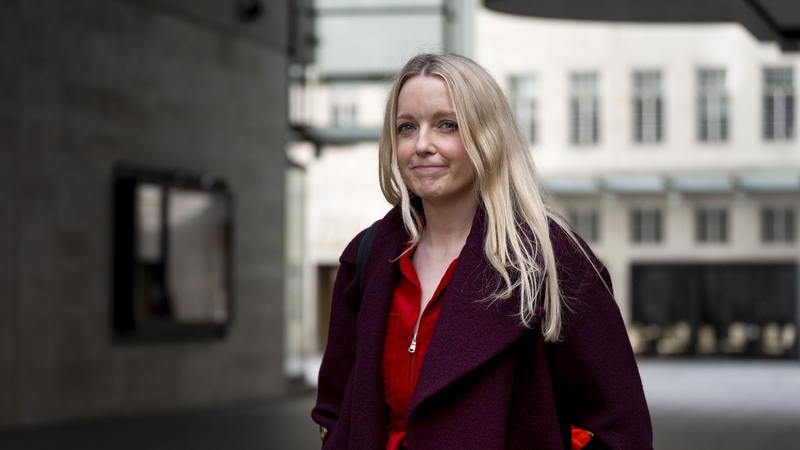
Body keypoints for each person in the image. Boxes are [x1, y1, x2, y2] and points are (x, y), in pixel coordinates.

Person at [312, 53, 653, 450]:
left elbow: (620, 426)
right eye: (407, 127)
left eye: (447, 125)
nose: (422, 145)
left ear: (487, 135)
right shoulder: (367, 257)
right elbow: (335, 406)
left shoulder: (553, 261)